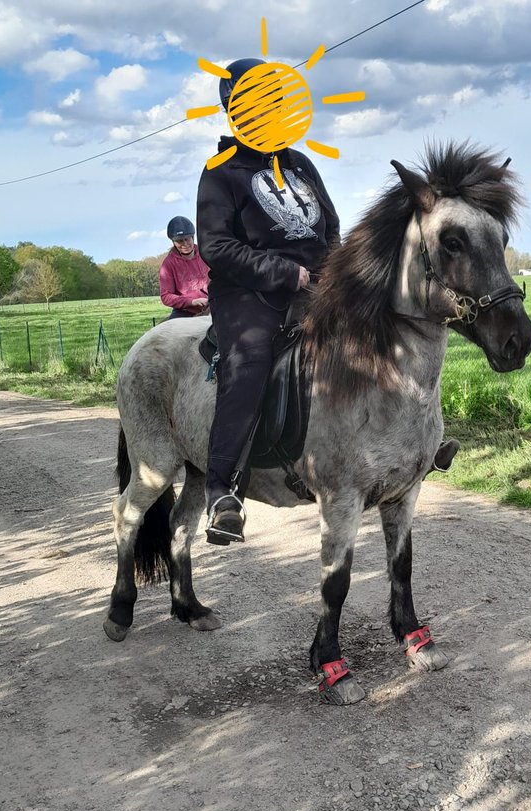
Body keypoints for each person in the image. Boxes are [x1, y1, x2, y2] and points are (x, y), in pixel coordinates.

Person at [196, 58, 341, 545]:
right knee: (250, 360)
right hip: (249, 293)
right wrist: (283, 272)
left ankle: (405, 445)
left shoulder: (300, 163)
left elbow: (330, 228)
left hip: (317, 284)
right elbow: (216, 246)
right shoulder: (220, 173)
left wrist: (336, 272)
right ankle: (222, 490)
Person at [158, 216, 210, 319]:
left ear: (193, 237)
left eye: (187, 239)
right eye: (179, 241)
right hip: (185, 311)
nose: (185, 244)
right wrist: (192, 302)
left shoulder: (206, 253)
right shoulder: (168, 264)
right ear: (173, 242)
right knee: (172, 328)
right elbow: (166, 296)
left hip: (212, 304)